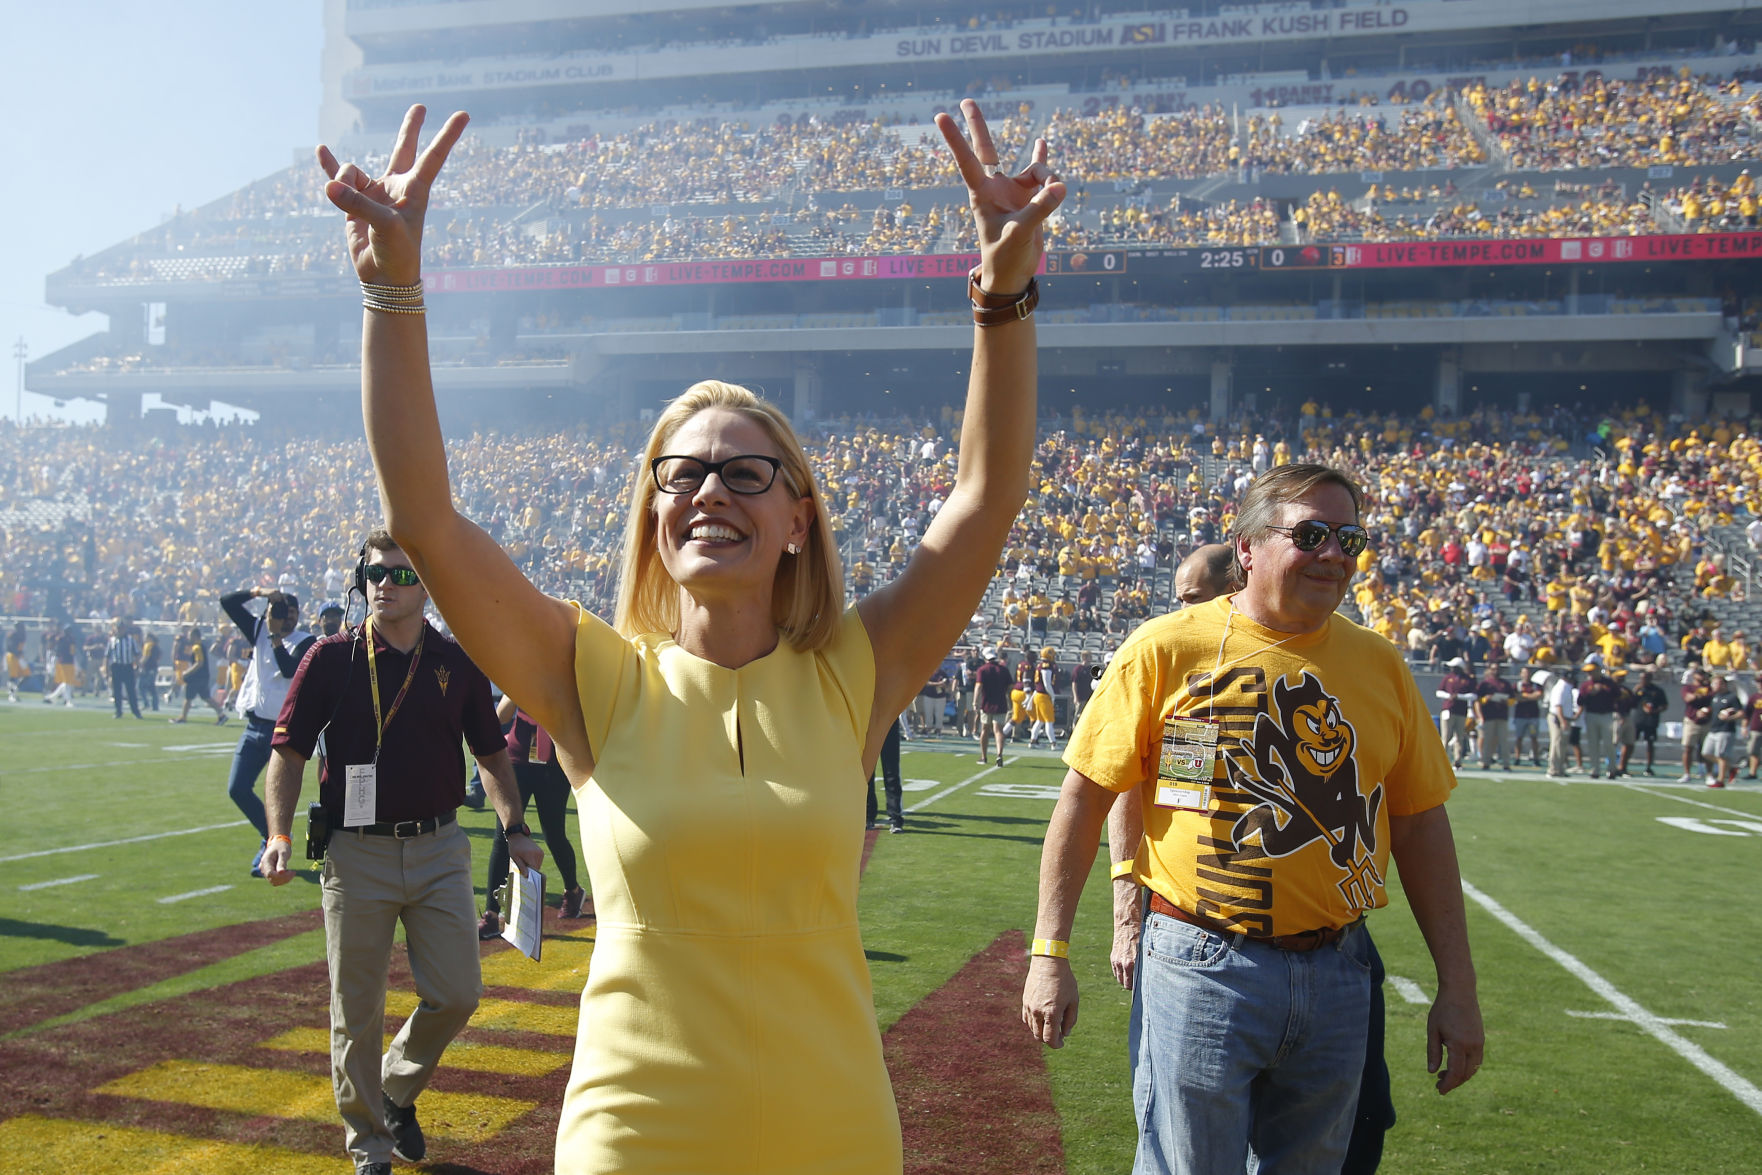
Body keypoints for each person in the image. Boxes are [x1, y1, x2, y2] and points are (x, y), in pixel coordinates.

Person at [316, 98, 1060, 1174]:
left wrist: (1002, 297)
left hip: (835, 1129)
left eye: (746, 470)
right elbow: (425, 521)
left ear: (798, 516)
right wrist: (393, 288)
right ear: (652, 517)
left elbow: (986, 496)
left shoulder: (855, 668)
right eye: (682, 472)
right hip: (635, 1131)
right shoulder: (593, 678)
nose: (710, 489)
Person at [1023, 465, 1481, 1175]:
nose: (1334, 554)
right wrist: (1050, 954)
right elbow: (1086, 797)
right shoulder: (1166, 647)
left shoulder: (1380, 665)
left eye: (1349, 537)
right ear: (1247, 546)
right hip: (1203, 961)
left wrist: (1459, 985)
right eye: (1311, 535)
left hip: (1338, 967)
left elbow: (1421, 823)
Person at [262, 532, 538, 1175]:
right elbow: (288, 751)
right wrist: (277, 835)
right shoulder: (331, 658)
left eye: (401, 574)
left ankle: (393, 1087)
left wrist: (515, 826)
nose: (385, 584)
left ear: (428, 586)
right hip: (356, 853)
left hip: (441, 845)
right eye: (374, 573)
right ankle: (369, 1146)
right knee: (355, 1009)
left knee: (459, 993)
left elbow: (492, 752)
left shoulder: (455, 660)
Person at [220, 586, 314, 877]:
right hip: (254, 726)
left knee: (278, 794)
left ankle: (272, 845)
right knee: (237, 788)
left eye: (291, 613)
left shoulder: (305, 640)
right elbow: (228, 602)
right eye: (281, 611)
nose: (286, 618)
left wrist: (274, 637)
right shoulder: (260, 629)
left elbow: (288, 669)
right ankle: (268, 833)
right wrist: (260, 592)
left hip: (281, 731)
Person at [480, 695, 589, 940]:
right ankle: (491, 913)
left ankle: (572, 889)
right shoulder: (521, 675)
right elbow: (501, 717)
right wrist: (515, 689)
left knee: (554, 834)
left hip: (553, 763)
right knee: (503, 836)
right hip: (518, 759)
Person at [170, 625, 228, 724]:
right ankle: (221, 714)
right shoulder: (201, 646)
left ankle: (183, 717)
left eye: (190, 636)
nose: (189, 638)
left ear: (195, 636)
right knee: (206, 697)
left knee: (188, 697)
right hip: (203, 676)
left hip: (197, 676)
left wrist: (187, 672)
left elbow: (199, 663)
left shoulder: (197, 647)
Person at [1576, 659, 1619, 779]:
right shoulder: (1586, 685)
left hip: (1606, 715)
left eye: (1591, 671)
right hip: (1591, 715)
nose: (1589, 674)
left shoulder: (1608, 683)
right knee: (1593, 744)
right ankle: (1595, 769)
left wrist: (1603, 690)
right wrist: (1590, 692)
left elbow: (1617, 695)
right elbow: (1580, 701)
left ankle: (1611, 769)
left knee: (1608, 744)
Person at [1700, 673, 1743, 789]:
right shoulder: (1715, 697)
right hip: (1714, 728)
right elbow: (1713, 710)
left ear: (1723, 684)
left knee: (1721, 755)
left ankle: (1720, 779)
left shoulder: (1731, 697)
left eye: (1716, 683)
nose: (1713, 685)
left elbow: (1740, 712)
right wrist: (1704, 712)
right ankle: (1730, 768)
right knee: (1706, 753)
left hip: (1725, 730)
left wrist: (1729, 718)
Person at [867, 714, 906, 834]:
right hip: (868, 721)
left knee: (891, 771)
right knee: (867, 773)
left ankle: (895, 818)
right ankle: (868, 816)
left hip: (889, 720)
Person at [975, 644, 1013, 767]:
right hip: (1000, 703)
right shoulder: (1003, 669)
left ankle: (984, 756)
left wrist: (975, 701)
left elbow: (979, 686)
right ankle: (999, 754)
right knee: (998, 731)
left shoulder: (982, 669)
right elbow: (1010, 686)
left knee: (985, 730)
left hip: (986, 704)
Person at [1437, 657, 1477, 768]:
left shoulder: (1468, 679)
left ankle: (1457, 761)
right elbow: (1439, 692)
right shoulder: (1448, 678)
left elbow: (1473, 695)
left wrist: (1459, 696)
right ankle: (1443, 761)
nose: (1452, 669)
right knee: (1445, 736)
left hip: (1461, 711)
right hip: (1448, 709)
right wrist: (1449, 696)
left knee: (1459, 737)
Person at [1628, 669, 1667, 776]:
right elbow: (1630, 703)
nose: (1643, 680)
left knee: (1650, 743)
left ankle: (1649, 767)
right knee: (1630, 742)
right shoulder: (1638, 690)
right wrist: (1634, 692)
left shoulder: (1657, 691)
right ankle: (1624, 764)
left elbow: (1664, 705)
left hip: (1651, 721)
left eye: (1645, 678)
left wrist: (1655, 710)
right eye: (1641, 678)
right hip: (1638, 719)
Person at [1474, 662, 1513, 771]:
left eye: (1497, 669)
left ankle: (1506, 763)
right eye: (1493, 669)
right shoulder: (1485, 684)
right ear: (1490, 670)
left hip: (1502, 716)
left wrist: (1506, 701)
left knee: (1504, 741)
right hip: (1489, 716)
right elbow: (1477, 700)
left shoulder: (1505, 684)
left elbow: (1512, 700)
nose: (1496, 671)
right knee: (1487, 741)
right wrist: (1486, 699)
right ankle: (1485, 762)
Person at [105, 617, 143, 719]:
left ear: (124, 629)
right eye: (118, 628)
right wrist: (106, 669)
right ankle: (118, 711)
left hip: (127, 667)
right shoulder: (112, 640)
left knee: (131, 691)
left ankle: (136, 712)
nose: (120, 630)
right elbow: (107, 656)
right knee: (117, 691)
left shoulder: (130, 640)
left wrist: (138, 667)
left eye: (121, 628)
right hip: (116, 667)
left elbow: (137, 654)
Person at [1546, 666, 1580, 778]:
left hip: (1564, 718)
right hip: (1558, 718)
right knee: (1556, 743)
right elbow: (1558, 706)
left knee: (1562, 745)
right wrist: (1563, 721)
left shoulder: (1567, 687)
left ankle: (1560, 769)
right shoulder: (1561, 687)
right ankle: (1553, 769)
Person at [1512, 665, 1545, 767]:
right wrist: (1530, 697)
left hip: (1533, 716)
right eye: (1524, 673)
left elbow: (1538, 695)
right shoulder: (1516, 685)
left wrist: (1525, 696)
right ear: (1520, 674)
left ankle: (1536, 758)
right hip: (1520, 716)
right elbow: (1516, 697)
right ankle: (1517, 758)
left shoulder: (1535, 685)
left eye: (1528, 673)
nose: (1526, 675)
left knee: (1534, 737)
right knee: (1519, 737)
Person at [6, 620, 29, 702]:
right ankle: (11, 694)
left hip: (20, 656)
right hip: (13, 656)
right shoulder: (13, 635)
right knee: (13, 676)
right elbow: (11, 647)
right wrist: (18, 653)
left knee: (26, 674)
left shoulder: (23, 635)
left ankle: (15, 689)